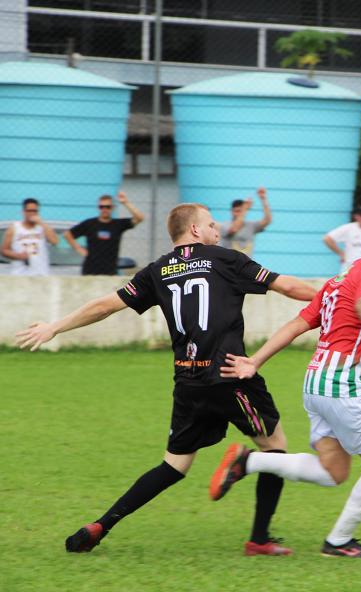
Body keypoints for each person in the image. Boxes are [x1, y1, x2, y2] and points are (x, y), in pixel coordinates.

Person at [16, 203, 317, 555]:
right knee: (275, 447)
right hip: (230, 374)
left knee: (174, 465)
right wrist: (339, 297)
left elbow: (105, 305)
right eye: (211, 224)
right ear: (194, 230)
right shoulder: (225, 258)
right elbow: (290, 288)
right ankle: (259, 539)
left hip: (188, 381)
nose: (217, 231)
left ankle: (102, 524)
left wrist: (54, 327)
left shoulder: (157, 270)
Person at [208, 214, 361, 559]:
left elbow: (298, 323)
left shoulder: (338, 280)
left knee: (333, 471)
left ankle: (249, 462)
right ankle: (338, 542)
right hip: (343, 383)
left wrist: (255, 360)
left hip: (316, 382)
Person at [64, 191, 144, 275]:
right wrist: (79, 249)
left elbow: (140, 218)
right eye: (101, 207)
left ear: (112, 207)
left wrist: (125, 203)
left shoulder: (118, 224)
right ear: (98, 208)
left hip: (110, 271)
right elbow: (68, 234)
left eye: (108, 207)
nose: (104, 209)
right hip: (90, 271)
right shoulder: (89, 224)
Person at [1, 198, 59, 276]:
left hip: (41, 274)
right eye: (29, 211)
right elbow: (4, 250)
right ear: (24, 212)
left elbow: (55, 241)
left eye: (35, 211)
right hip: (20, 274)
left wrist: (41, 222)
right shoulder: (15, 228)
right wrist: (18, 256)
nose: (32, 213)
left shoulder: (43, 228)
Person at [218, 187, 272, 256]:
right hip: (229, 264)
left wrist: (263, 199)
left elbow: (267, 220)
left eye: (240, 211)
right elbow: (234, 229)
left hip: (247, 264)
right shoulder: (225, 225)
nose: (238, 214)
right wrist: (244, 209)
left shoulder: (251, 226)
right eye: (236, 211)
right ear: (231, 211)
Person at [323, 206, 361, 273]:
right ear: (356, 216)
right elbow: (327, 239)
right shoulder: (348, 228)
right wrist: (341, 253)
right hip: (350, 266)